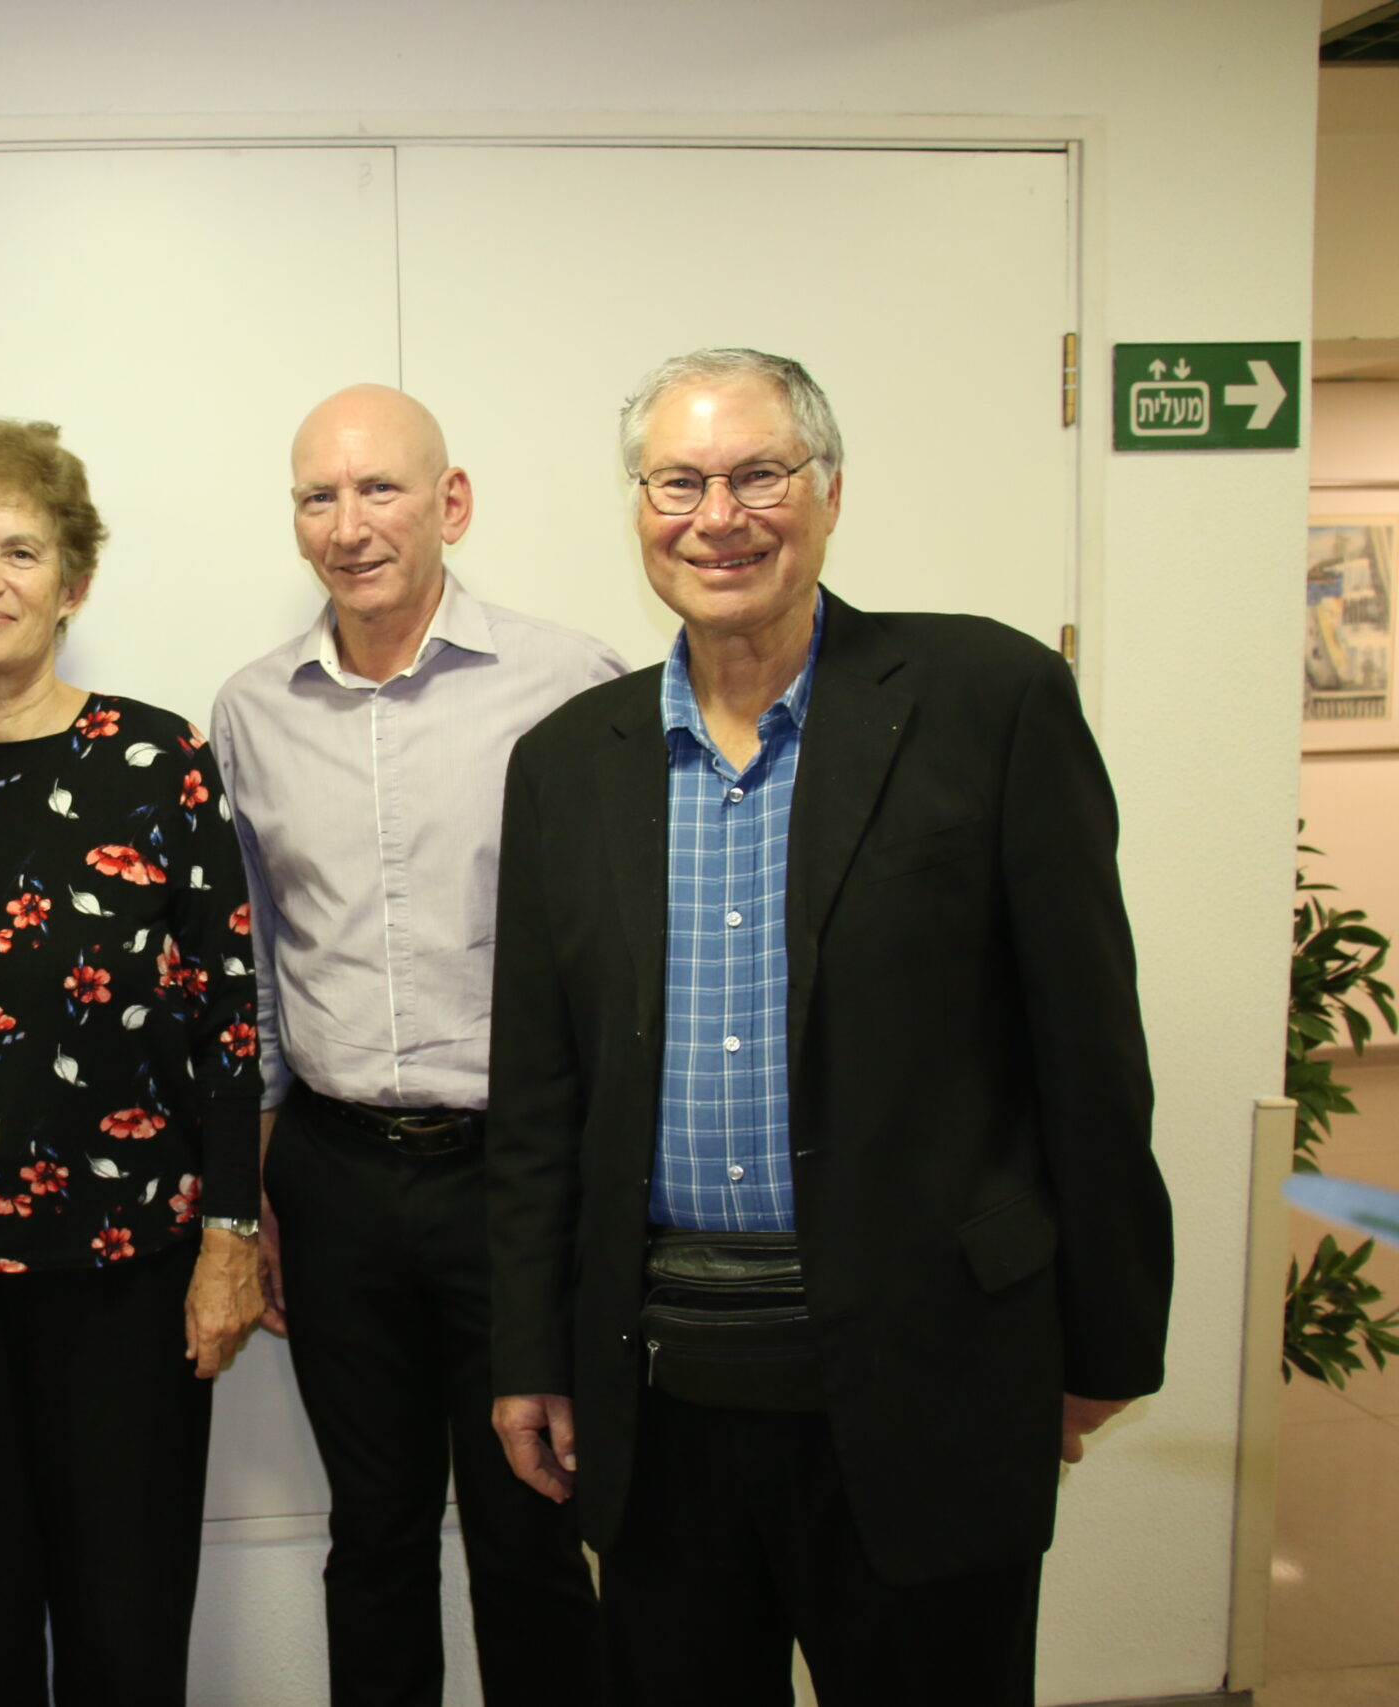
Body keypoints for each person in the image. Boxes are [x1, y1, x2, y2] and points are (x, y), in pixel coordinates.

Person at [487, 348, 1175, 1706]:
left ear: (831, 491)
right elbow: (539, 1101)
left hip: (931, 1376)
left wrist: (1102, 1343)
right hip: (662, 1404)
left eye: (759, 475)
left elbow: (1090, 1050)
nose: (718, 518)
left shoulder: (988, 701)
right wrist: (529, 1356)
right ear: (639, 508)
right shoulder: (566, 764)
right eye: (678, 483)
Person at [209, 384, 618, 1707]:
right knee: (373, 1536)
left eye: (379, 489)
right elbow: (255, 961)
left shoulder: (571, 683)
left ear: (452, 503)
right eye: (317, 497)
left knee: (530, 1532)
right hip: (335, 1179)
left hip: (517, 1181)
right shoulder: (252, 711)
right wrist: (259, 1177)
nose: (349, 526)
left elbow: (622, 954)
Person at [0, 418, 262, 1707]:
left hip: (129, 1282)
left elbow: (229, 1016)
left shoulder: (158, 762)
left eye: (20, 551)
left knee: (124, 1635)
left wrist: (232, 1238)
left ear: (72, 581)